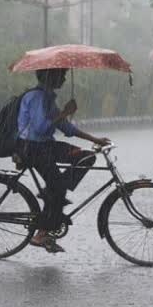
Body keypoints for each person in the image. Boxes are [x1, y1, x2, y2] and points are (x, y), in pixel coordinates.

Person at [16, 68, 110, 252]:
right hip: (32, 148)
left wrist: (95, 140)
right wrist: (65, 112)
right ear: (51, 77)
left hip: (45, 146)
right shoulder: (37, 97)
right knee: (58, 189)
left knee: (86, 157)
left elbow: (66, 128)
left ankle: (53, 192)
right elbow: (41, 128)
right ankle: (41, 233)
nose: (65, 78)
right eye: (62, 75)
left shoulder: (47, 97)